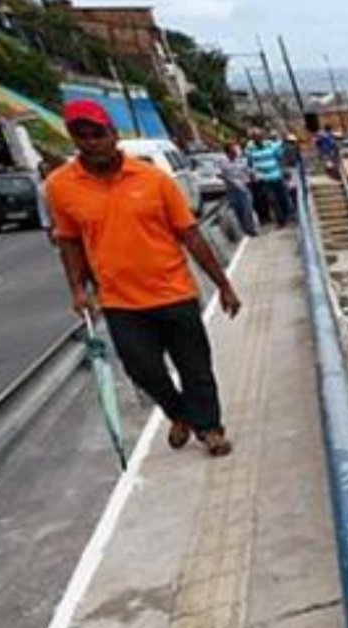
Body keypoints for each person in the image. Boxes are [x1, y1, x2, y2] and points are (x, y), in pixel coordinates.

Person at [46, 99, 241, 457]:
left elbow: (191, 234)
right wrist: (78, 289)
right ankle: (179, 412)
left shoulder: (153, 179)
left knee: (196, 367)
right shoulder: (61, 186)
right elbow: (69, 242)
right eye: (81, 135)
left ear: (113, 134)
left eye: (98, 133)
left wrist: (224, 285)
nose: (91, 142)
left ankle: (210, 428)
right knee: (142, 369)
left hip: (173, 290)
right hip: (120, 300)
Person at [245, 129, 291, 227]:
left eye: (259, 137)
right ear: (253, 139)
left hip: (277, 176)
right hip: (264, 180)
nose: (257, 140)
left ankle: (287, 215)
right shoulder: (250, 149)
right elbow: (249, 164)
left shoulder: (271, 145)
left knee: (282, 197)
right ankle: (281, 220)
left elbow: (280, 157)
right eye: (255, 138)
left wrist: (284, 170)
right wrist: (252, 173)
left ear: (262, 137)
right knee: (272, 199)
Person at [219, 142, 258, 236]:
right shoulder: (222, 162)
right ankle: (244, 229)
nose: (235, 152)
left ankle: (251, 229)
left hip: (244, 188)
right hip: (232, 191)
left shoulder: (241, 160)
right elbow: (218, 174)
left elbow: (249, 170)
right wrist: (228, 179)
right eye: (233, 151)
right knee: (238, 210)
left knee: (247, 209)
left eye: (236, 150)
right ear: (228, 153)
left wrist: (253, 176)